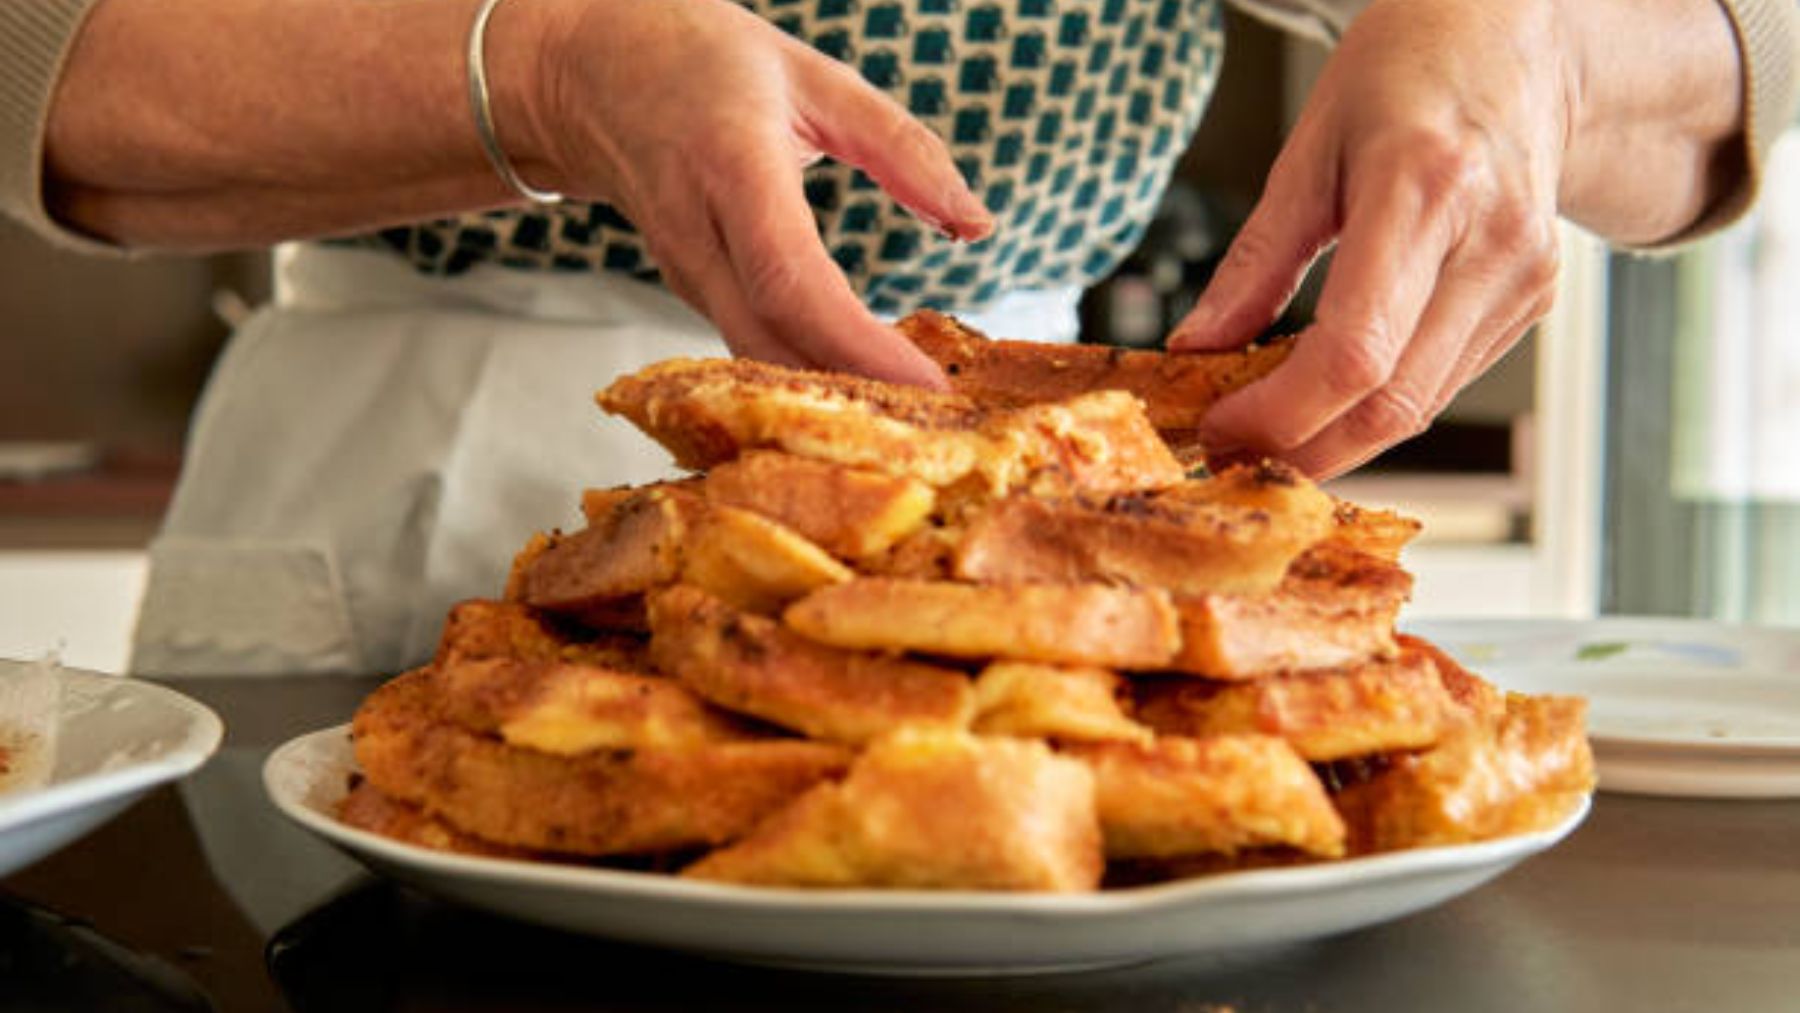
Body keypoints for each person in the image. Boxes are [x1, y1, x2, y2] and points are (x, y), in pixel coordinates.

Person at [2, 0, 1795, 676]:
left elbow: (1743, 55)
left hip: (1062, 516)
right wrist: (544, 65)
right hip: (396, 456)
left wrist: (1534, 51)